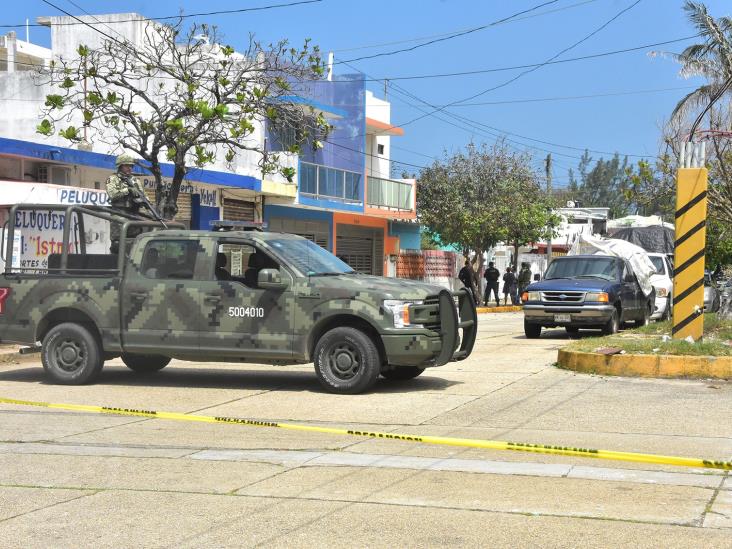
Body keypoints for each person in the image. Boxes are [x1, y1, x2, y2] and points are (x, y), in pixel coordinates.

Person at [106, 154, 147, 254]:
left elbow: (144, 195)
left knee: (135, 244)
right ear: (120, 166)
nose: (130, 168)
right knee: (118, 244)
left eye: (131, 166)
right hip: (120, 214)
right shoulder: (113, 179)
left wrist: (144, 201)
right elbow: (112, 194)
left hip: (134, 214)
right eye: (127, 165)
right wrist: (127, 190)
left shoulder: (135, 180)